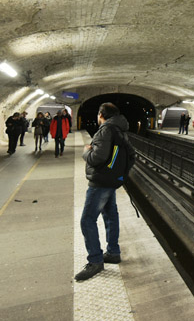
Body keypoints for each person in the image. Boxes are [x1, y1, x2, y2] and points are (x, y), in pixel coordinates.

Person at [75, 102, 135, 282]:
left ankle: (95, 261)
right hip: (111, 180)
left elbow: (97, 157)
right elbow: (131, 155)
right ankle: (113, 252)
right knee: (110, 215)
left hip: (100, 181)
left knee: (87, 220)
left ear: (101, 114)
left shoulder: (105, 130)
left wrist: (86, 152)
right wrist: (118, 174)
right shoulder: (120, 129)